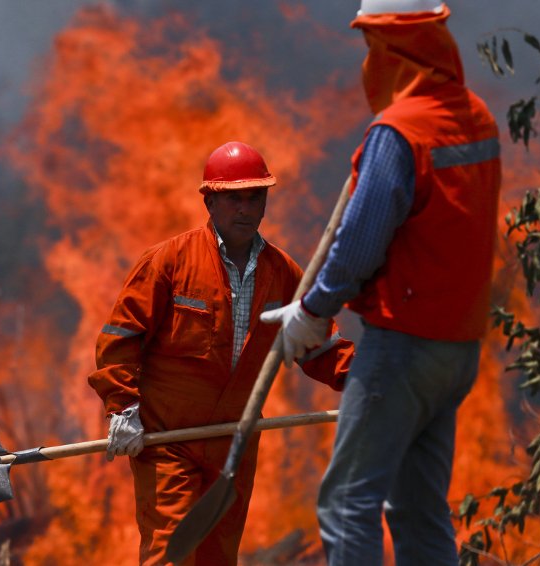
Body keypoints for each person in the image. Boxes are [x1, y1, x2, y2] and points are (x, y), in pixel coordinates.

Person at [260, 1, 502, 565]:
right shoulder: (476, 116)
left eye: (373, 48)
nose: (368, 63)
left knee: (347, 504)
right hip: (458, 348)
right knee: (418, 508)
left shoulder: (399, 132)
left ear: (399, 51)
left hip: (404, 347)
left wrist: (313, 309)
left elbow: (359, 245)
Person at [88, 141, 354, 566]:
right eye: (234, 198)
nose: (246, 209)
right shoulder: (169, 262)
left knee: (217, 557)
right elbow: (122, 337)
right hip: (168, 441)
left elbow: (319, 345)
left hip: (234, 441)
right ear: (210, 201)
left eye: (256, 197)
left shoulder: (283, 273)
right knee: (169, 554)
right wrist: (123, 408)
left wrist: (368, 380)